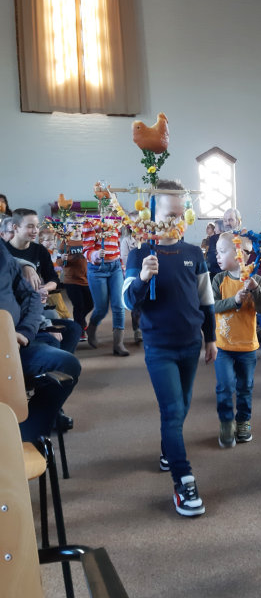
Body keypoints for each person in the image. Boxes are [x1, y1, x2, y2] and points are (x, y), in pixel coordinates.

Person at [123, 179, 217, 517]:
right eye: (168, 215)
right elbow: (128, 301)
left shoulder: (193, 253)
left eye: (180, 214)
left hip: (190, 344)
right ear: (152, 214)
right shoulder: (140, 253)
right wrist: (143, 278)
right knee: (173, 411)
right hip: (159, 346)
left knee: (182, 406)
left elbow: (206, 300)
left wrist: (210, 337)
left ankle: (168, 448)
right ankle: (183, 480)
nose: (175, 221)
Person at [0, 239, 81, 442]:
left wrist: (25, 333)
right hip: (5, 343)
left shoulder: (3, 254)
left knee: (67, 362)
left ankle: (27, 436)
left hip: (18, 340)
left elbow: (31, 297)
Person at [212, 232, 261, 447]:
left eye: (222, 252)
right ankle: (226, 422)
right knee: (225, 387)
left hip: (247, 346)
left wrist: (254, 290)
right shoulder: (219, 279)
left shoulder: (256, 280)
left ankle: (243, 421)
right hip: (223, 346)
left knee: (245, 387)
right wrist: (234, 301)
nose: (217, 256)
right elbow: (212, 307)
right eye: (217, 252)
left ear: (240, 255)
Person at [6, 209, 81, 354]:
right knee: (52, 339)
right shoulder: (5, 252)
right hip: (17, 313)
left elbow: (53, 279)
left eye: (37, 226)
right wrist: (27, 267)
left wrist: (44, 289)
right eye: (30, 226)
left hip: (36, 308)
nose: (35, 231)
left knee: (74, 329)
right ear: (15, 227)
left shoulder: (40, 250)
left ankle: (56, 363)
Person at [83, 206, 129, 356]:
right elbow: (86, 249)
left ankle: (118, 344)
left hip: (115, 267)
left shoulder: (116, 222)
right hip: (97, 270)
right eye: (106, 202)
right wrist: (96, 254)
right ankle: (92, 327)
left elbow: (116, 245)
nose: (110, 206)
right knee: (101, 308)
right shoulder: (91, 223)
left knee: (119, 305)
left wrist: (122, 266)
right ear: (100, 204)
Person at [61, 219, 93, 342]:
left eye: (79, 226)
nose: (77, 228)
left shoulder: (87, 241)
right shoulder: (65, 243)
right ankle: (80, 330)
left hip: (86, 280)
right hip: (71, 281)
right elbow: (59, 262)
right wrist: (63, 259)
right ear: (68, 228)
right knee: (78, 306)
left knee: (90, 304)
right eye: (73, 226)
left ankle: (79, 321)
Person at [119, 214, 142, 343]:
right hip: (132, 273)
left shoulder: (147, 238)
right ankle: (137, 329)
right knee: (136, 302)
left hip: (147, 271)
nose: (137, 225)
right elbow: (126, 259)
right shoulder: (126, 241)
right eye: (134, 223)